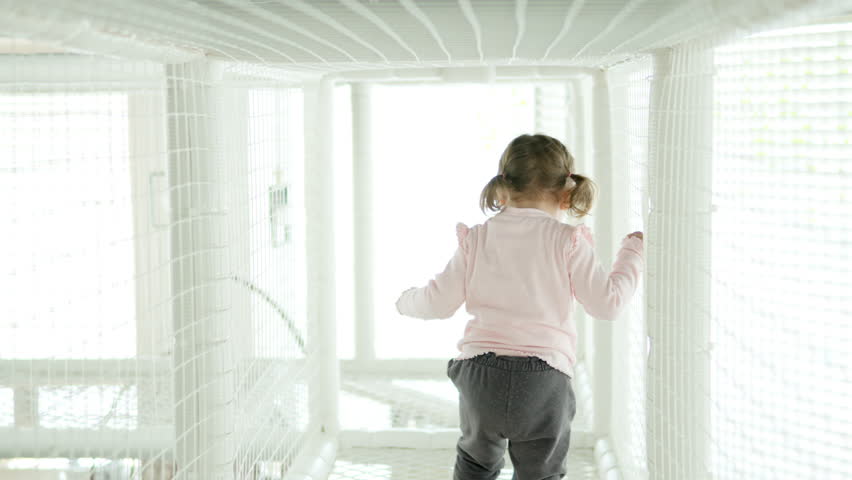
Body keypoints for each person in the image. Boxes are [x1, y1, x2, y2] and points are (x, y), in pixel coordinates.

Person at [395, 134, 644, 480]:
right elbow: (609, 304)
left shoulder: (477, 239)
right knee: (540, 474)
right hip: (543, 382)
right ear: (567, 192)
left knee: (475, 465)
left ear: (501, 190)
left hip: (480, 378)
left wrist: (405, 301)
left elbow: (437, 302)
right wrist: (632, 252)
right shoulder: (567, 240)